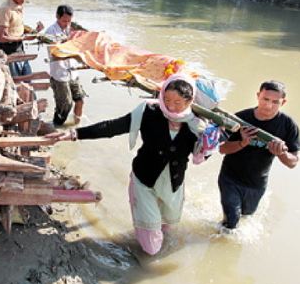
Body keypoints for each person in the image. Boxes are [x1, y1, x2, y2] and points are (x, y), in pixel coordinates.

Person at [47, 73, 207, 255]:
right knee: (152, 249)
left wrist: (209, 146)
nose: (170, 106)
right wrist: (74, 134)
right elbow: (112, 127)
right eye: (167, 99)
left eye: (177, 103)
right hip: (144, 180)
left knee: (168, 227)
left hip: (173, 185)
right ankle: (145, 237)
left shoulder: (198, 126)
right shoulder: (148, 112)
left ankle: (146, 229)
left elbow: (201, 154)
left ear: (189, 101)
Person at [218, 80, 300, 229]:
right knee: (232, 220)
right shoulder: (240, 119)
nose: (268, 106)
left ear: (284, 102)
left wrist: (281, 154)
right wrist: (242, 142)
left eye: (275, 102)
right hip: (230, 178)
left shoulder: (288, 125)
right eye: (265, 99)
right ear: (258, 96)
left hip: (256, 183)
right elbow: (221, 148)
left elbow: (293, 162)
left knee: (246, 216)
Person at [45, 4, 85, 126]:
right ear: (57, 16)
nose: (66, 23)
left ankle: (76, 126)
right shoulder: (50, 32)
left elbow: (84, 38)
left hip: (73, 72)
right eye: (64, 21)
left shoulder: (71, 28)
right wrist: (71, 48)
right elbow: (55, 55)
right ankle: (56, 127)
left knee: (80, 100)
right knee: (65, 105)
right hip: (59, 75)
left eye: (69, 21)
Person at [0, 0, 43, 77]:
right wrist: (23, 38)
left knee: (28, 82)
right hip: (9, 54)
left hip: (20, 51)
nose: (23, 0)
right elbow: (1, 38)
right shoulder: (6, 9)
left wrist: (35, 31)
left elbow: (16, 30)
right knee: (17, 86)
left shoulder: (19, 5)